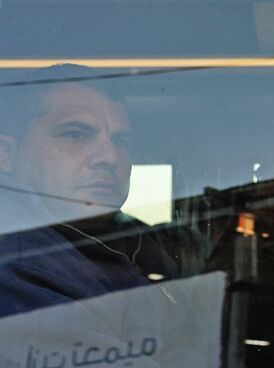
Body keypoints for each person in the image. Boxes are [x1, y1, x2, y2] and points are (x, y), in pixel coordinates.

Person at [0, 64, 177, 317]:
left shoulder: (141, 242)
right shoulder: (17, 260)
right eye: (75, 135)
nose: (110, 156)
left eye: (121, 141)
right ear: (6, 154)